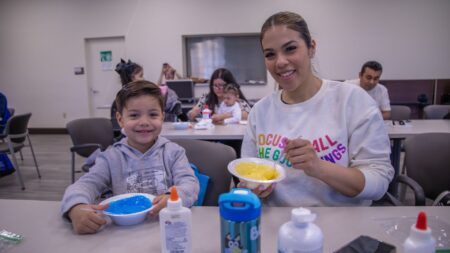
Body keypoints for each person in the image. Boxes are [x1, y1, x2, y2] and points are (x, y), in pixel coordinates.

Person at [240, 11, 394, 207]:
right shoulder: (260, 112)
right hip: (277, 226)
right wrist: (253, 187)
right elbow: (248, 173)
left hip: (343, 226)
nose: (280, 62)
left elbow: (379, 182)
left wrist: (318, 167)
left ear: (311, 48)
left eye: (290, 49)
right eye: (270, 54)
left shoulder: (352, 101)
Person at [61, 81, 199, 234]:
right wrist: (76, 208)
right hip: (125, 233)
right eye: (134, 115)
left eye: (153, 115)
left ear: (162, 117)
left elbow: (189, 183)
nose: (144, 122)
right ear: (120, 120)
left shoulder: (173, 152)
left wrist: (173, 198)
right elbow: (84, 185)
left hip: (167, 228)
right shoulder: (110, 158)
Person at [187, 68, 251, 124]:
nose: (218, 88)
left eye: (221, 85)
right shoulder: (206, 98)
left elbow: (249, 116)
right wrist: (192, 114)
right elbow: (191, 116)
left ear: (229, 85)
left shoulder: (236, 99)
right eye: (215, 85)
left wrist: (223, 116)